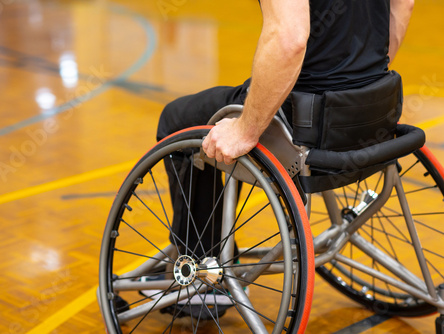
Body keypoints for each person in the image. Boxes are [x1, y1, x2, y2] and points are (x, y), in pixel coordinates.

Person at [156, 0, 414, 259]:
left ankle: (204, 265)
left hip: (308, 117)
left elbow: (289, 40)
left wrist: (245, 130)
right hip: (376, 107)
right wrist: (361, 85)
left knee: (177, 121)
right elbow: (404, 4)